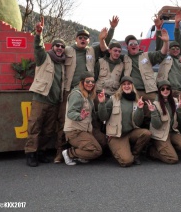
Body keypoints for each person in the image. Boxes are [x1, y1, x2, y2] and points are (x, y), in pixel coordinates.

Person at [55, 16, 119, 163]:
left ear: (88, 40)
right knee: (63, 121)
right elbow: (54, 53)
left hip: (89, 90)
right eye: (80, 37)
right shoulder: (68, 50)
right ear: (76, 39)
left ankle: (88, 148)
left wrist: (112, 29)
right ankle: (60, 152)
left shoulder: (91, 50)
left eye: (85, 38)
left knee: (94, 117)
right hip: (70, 90)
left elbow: (105, 43)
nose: (83, 39)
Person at [24, 17, 66, 167]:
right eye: (57, 45)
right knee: (35, 127)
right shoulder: (44, 57)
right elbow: (38, 47)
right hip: (40, 99)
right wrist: (38, 34)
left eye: (62, 46)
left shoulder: (63, 64)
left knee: (48, 131)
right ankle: (31, 153)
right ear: (53, 47)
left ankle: (41, 152)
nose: (60, 48)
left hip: (55, 102)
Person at [98, 76, 151, 166]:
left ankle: (135, 154)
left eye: (129, 84)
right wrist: (102, 103)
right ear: (121, 87)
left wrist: (139, 109)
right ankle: (117, 150)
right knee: (126, 162)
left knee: (146, 133)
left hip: (130, 132)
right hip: (116, 135)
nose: (127, 86)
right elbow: (103, 117)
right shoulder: (113, 99)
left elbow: (138, 123)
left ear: (132, 86)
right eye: (124, 84)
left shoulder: (136, 100)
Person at [122, 26, 169, 122]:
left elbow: (162, 53)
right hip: (133, 92)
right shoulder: (123, 58)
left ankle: (153, 132)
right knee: (134, 114)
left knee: (155, 110)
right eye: (131, 44)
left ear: (138, 46)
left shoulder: (147, 55)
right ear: (127, 47)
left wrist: (166, 42)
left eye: (135, 43)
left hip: (150, 91)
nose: (133, 45)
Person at [62, 71, 102, 165]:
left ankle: (82, 155)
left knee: (103, 141)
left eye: (92, 82)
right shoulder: (77, 94)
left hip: (84, 130)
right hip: (74, 131)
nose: (90, 84)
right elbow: (70, 113)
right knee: (96, 151)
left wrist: (103, 103)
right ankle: (69, 153)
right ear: (82, 82)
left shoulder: (88, 95)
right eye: (87, 81)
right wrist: (80, 116)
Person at [148, 80, 181, 164]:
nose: (165, 90)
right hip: (160, 134)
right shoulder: (155, 104)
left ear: (170, 90)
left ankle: (169, 147)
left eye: (167, 88)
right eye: (162, 89)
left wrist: (180, 109)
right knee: (173, 159)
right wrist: (153, 112)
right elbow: (157, 125)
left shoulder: (175, 101)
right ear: (159, 91)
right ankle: (152, 152)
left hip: (172, 132)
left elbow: (180, 120)